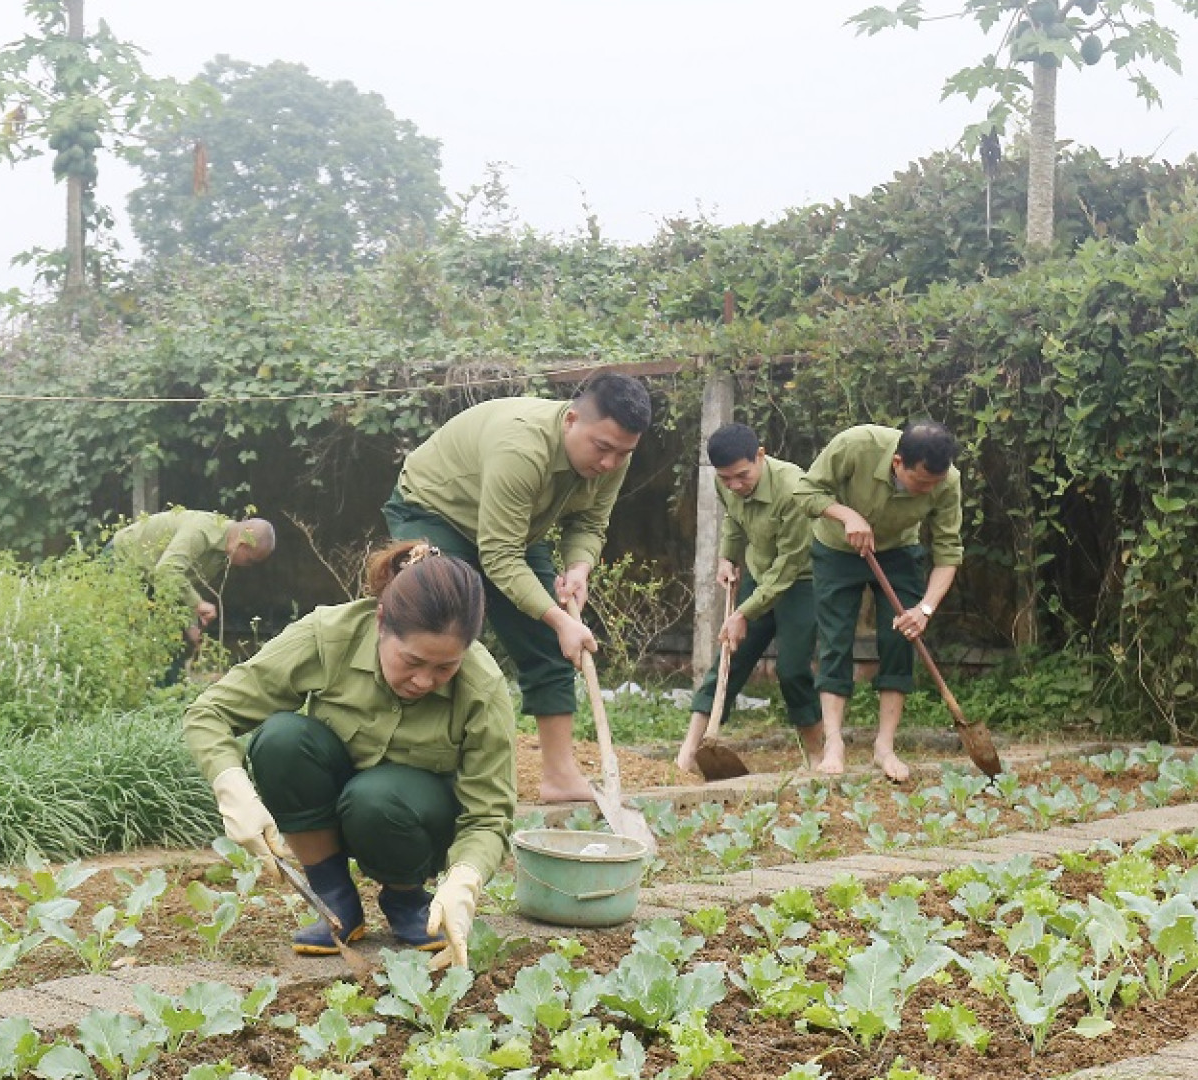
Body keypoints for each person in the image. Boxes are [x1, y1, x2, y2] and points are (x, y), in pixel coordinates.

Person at [183, 541, 515, 967]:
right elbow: (209, 712)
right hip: (337, 808)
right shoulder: (329, 635)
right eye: (412, 661)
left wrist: (465, 878)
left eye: (444, 668)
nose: (424, 680)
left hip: (417, 825)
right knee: (281, 739)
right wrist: (230, 783)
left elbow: (489, 815)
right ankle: (334, 897)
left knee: (375, 796)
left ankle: (407, 900)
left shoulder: (482, 686)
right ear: (381, 622)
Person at [383, 372, 652, 803]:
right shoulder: (521, 448)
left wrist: (580, 567)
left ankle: (560, 776)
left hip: (513, 531)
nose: (609, 464)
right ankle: (412, 762)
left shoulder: (613, 454)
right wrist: (559, 616)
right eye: (602, 448)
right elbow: (499, 556)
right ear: (570, 421)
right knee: (439, 623)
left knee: (550, 640)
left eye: (623, 453)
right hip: (436, 510)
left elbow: (589, 522)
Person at [794, 421, 964, 782]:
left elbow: (949, 553)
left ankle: (884, 747)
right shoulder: (856, 445)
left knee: (900, 638)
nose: (927, 492)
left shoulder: (947, 481)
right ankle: (834, 743)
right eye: (921, 483)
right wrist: (847, 514)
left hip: (898, 551)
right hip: (837, 548)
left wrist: (925, 609)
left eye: (934, 485)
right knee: (835, 640)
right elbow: (806, 492)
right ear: (898, 462)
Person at [675, 423, 822, 775]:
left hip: (802, 581)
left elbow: (789, 565)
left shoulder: (793, 488)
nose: (735, 486)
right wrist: (728, 556)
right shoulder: (726, 482)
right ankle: (689, 752)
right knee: (729, 658)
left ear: (760, 454)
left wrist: (744, 611)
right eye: (726, 479)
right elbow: (734, 522)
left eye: (742, 476)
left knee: (791, 670)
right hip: (759, 574)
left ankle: (817, 753)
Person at [110, 508, 276, 680]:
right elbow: (167, 571)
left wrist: (190, 623)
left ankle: (167, 698)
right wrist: (197, 603)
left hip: (153, 580)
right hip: (121, 563)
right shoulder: (201, 531)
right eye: (250, 560)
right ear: (242, 543)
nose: (247, 566)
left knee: (171, 645)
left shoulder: (221, 554)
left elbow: (179, 585)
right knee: (121, 645)